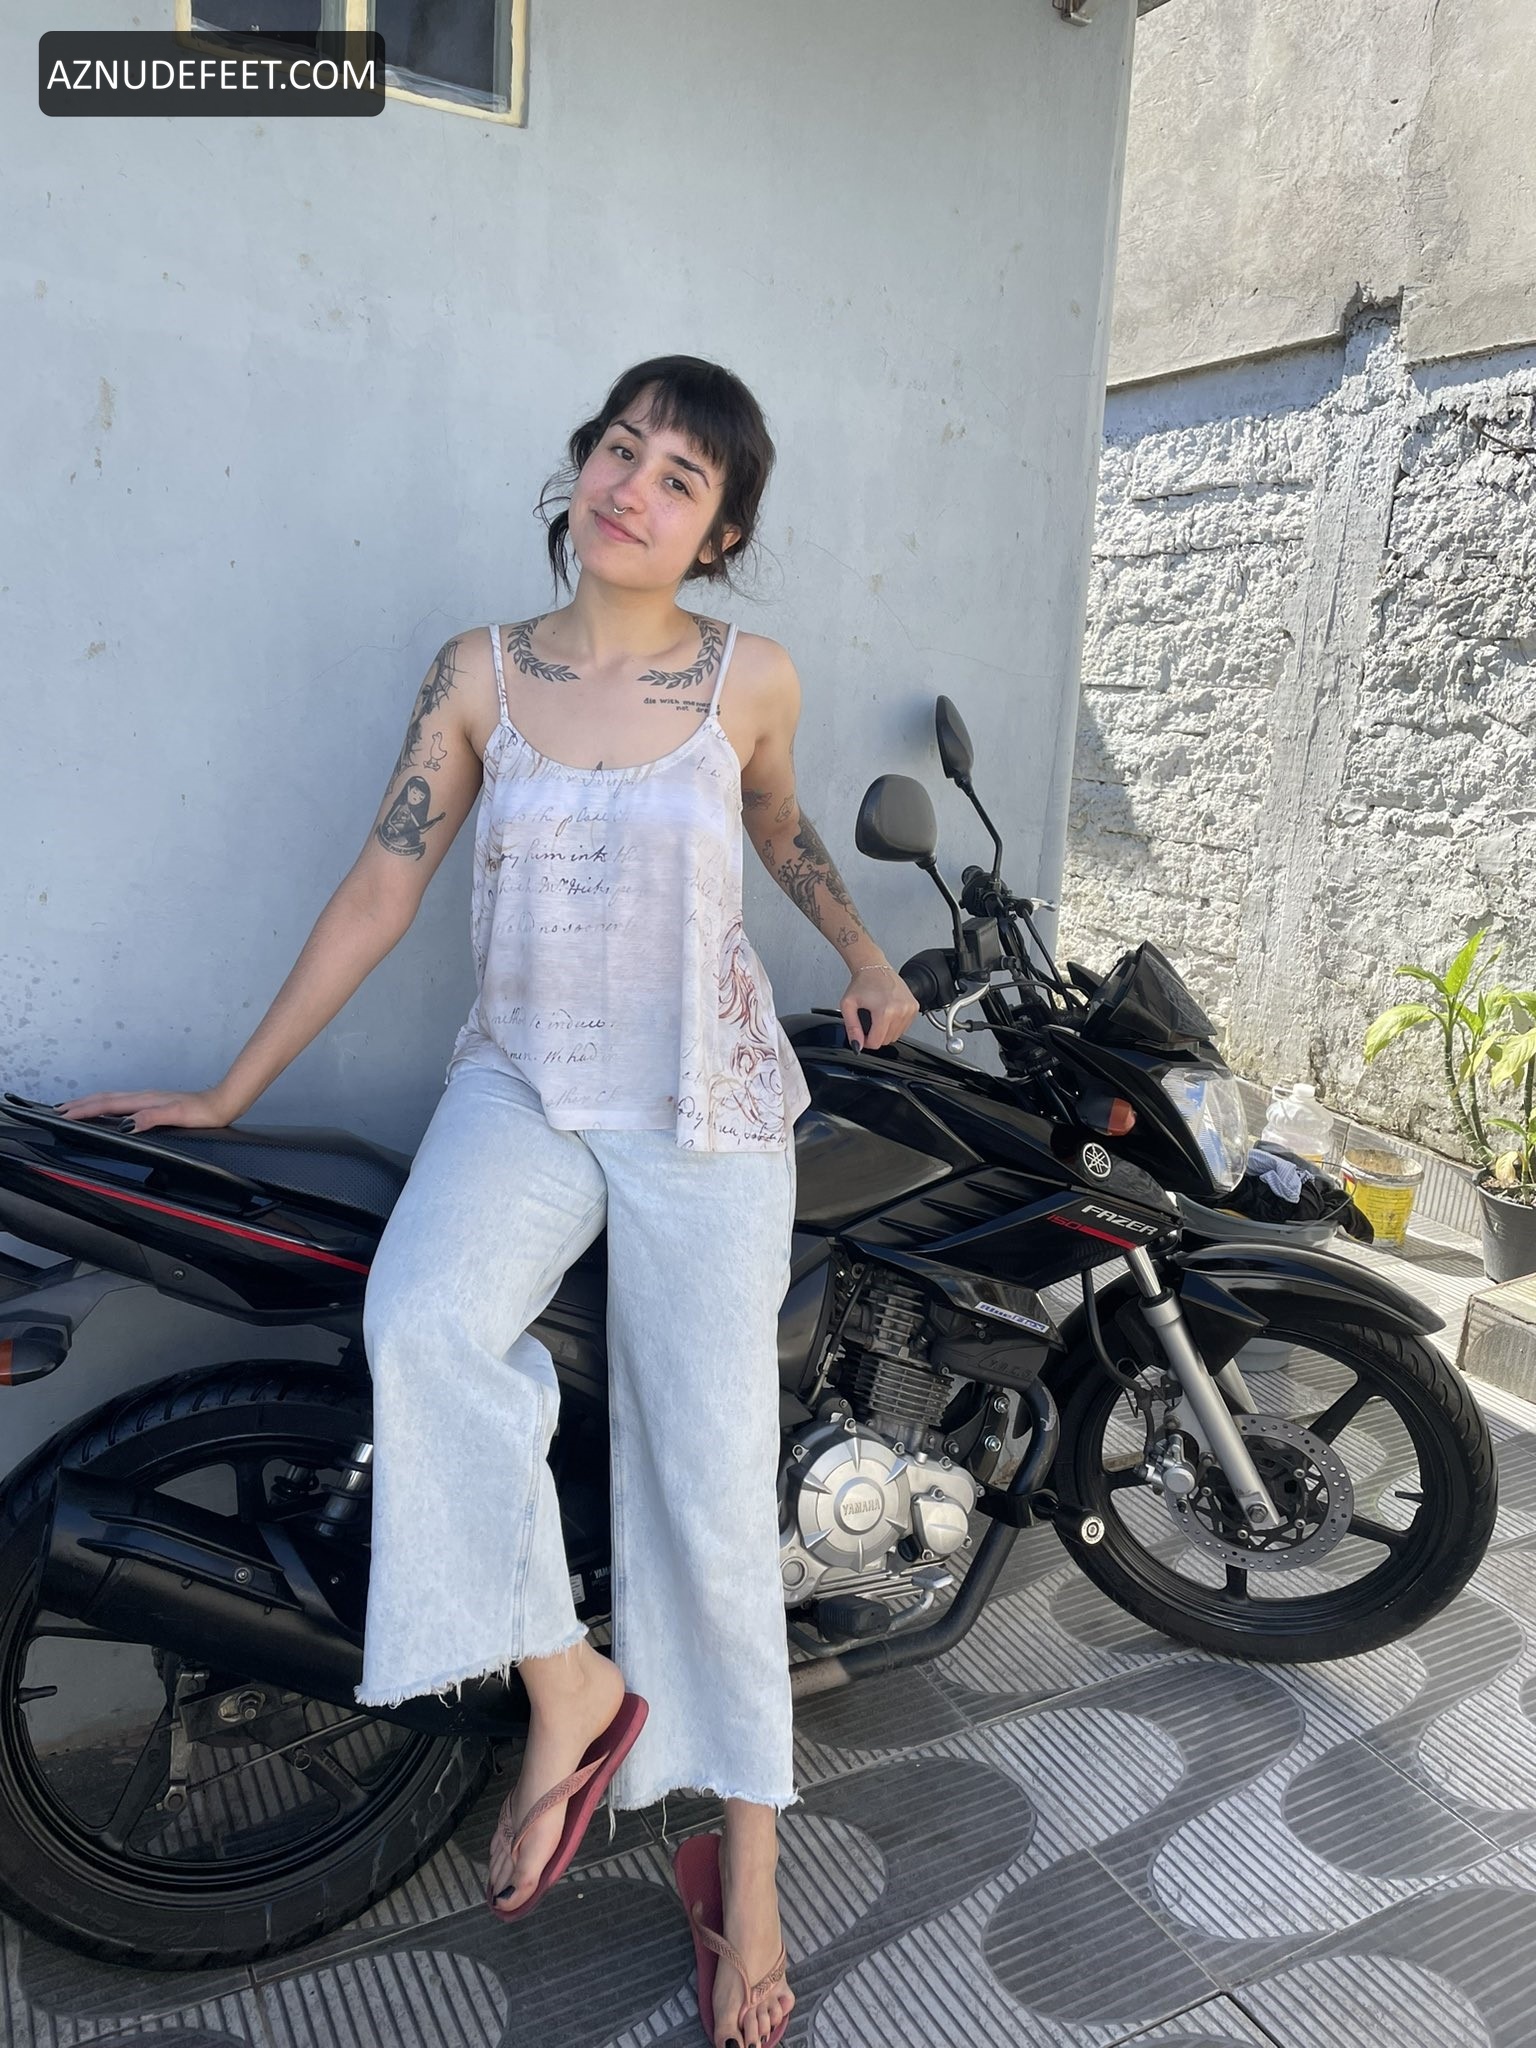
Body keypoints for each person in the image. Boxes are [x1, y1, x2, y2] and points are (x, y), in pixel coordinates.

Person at [58, 355, 919, 2048]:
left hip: (706, 1109)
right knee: (423, 1324)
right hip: (520, 1087)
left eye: (680, 477)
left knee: (708, 1487)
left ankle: (746, 1884)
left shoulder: (750, 679)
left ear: (720, 532)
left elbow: (781, 827)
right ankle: (566, 1683)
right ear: (580, 466)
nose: (634, 487)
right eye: (621, 449)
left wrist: (866, 950)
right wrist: (230, 1091)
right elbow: (381, 890)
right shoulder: (479, 673)